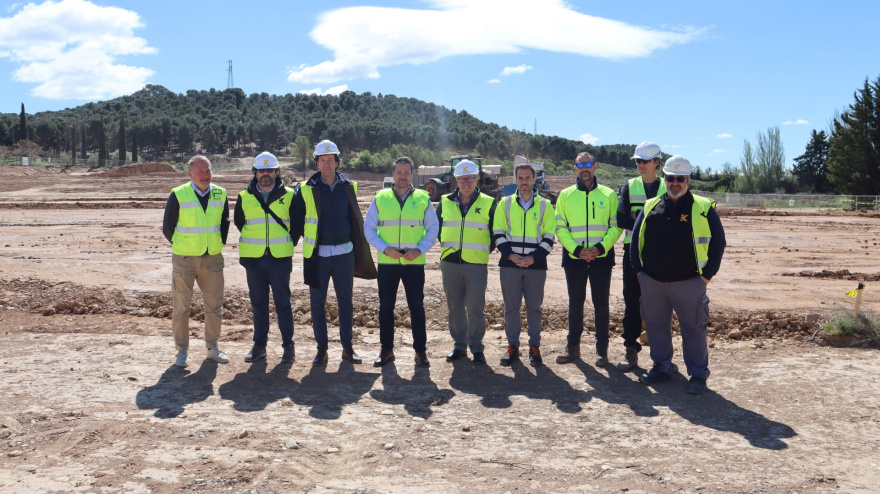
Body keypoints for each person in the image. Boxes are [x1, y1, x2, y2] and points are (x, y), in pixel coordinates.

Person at [632, 155, 726, 395]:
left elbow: (718, 244)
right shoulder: (651, 206)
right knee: (655, 326)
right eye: (671, 178)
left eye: (680, 178)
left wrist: (705, 277)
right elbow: (634, 241)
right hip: (652, 281)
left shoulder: (703, 208)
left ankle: (697, 375)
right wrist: (640, 273)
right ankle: (661, 367)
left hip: (689, 282)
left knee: (693, 329)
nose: (675, 183)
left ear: (688, 180)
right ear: (664, 179)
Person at [291, 139, 377, 366]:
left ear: (337, 162)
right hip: (317, 256)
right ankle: (322, 350)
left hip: (344, 255)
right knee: (317, 303)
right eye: (322, 160)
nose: (327, 164)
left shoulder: (349, 186)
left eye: (330, 160)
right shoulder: (305, 190)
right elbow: (297, 223)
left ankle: (348, 348)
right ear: (317, 163)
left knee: (345, 301)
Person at [364, 156, 439, 368]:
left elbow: (433, 229)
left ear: (412, 174)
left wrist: (419, 250)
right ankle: (386, 350)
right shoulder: (380, 198)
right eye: (399, 172)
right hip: (387, 263)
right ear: (393, 174)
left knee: (417, 307)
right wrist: (385, 249)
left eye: (406, 172)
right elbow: (369, 228)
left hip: (414, 263)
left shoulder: (423, 199)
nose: (403, 176)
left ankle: (420, 352)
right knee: (385, 308)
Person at [554, 152, 622, 366]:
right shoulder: (565, 195)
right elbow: (560, 227)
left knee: (601, 303)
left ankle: (602, 350)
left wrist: (600, 248)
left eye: (588, 164)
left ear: (596, 167)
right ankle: (573, 348)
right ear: (575, 168)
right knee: (575, 303)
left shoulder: (609, 194)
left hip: (601, 257)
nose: (584, 168)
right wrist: (577, 250)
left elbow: (616, 225)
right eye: (580, 164)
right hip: (575, 258)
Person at [162, 155, 230, 368]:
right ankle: (182, 351)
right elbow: (168, 227)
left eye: (208, 170)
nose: (205, 175)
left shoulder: (221, 193)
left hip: (212, 259)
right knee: (181, 307)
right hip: (185, 259)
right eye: (200, 171)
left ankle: (212, 348)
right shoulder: (179, 195)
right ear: (189, 173)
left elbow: (224, 224)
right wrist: (184, 246)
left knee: (214, 306)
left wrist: (216, 244)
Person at [234, 152, 296, 364]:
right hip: (254, 260)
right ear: (256, 173)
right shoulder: (244, 197)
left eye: (269, 170)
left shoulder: (289, 195)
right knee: (258, 304)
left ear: (276, 172)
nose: (265, 174)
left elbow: (296, 225)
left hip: (280, 259)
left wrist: (285, 241)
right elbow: (240, 223)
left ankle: (289, 346)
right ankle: (259, 346)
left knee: (283, 304)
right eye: (261, 171)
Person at [492, 162, 556, 366]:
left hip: (535, 266)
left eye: (527, 178)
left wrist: (533, 258)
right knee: (511, 308)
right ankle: (513, 347)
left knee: (534, 308)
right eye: (520, 178)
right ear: (515, 179)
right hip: (510, 265)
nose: (524, 182)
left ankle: (534, 347)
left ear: (534, 179)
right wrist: (510, 256)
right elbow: (498, 232)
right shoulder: (505, 203)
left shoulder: (545, 205)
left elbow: (549, 236)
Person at [436, 160, 497, 365]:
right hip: (450, 263)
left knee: (475, 308)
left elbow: (495, 234)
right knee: (455, 308)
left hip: (476, 264)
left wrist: (480, 252)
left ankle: (477, 347)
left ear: (477, 179)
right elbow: (438, 229)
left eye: (470, 178)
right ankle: (459, 346)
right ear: (456, 180)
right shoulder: (445, 201)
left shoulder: (488, 203)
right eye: (462, 179)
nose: (466, 183)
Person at [615, 141, 666, 371]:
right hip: (632, 252)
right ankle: (630, 349)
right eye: (638, 161)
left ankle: (662, 357)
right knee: (632, 302)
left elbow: (673, 221)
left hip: (661, 253)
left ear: (657, 162)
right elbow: (621, 219)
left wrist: (639, 215)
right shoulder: (629, 186)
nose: (640, 165)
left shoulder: (668, 186)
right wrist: (651, 218)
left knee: (661, 305)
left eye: (645, 161)